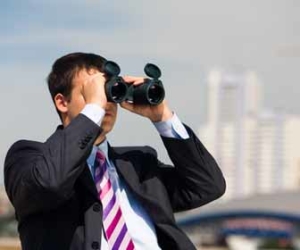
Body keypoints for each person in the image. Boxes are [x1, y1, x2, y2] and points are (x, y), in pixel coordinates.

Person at [4, 52, 226, 250]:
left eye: (110, 93)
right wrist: (93, 110)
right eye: (93, 94)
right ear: (62, 102)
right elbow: (49, 184)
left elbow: (207, 186)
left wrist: (163, 118)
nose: (106, 104)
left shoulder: (138, 165)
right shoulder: (28, 157)